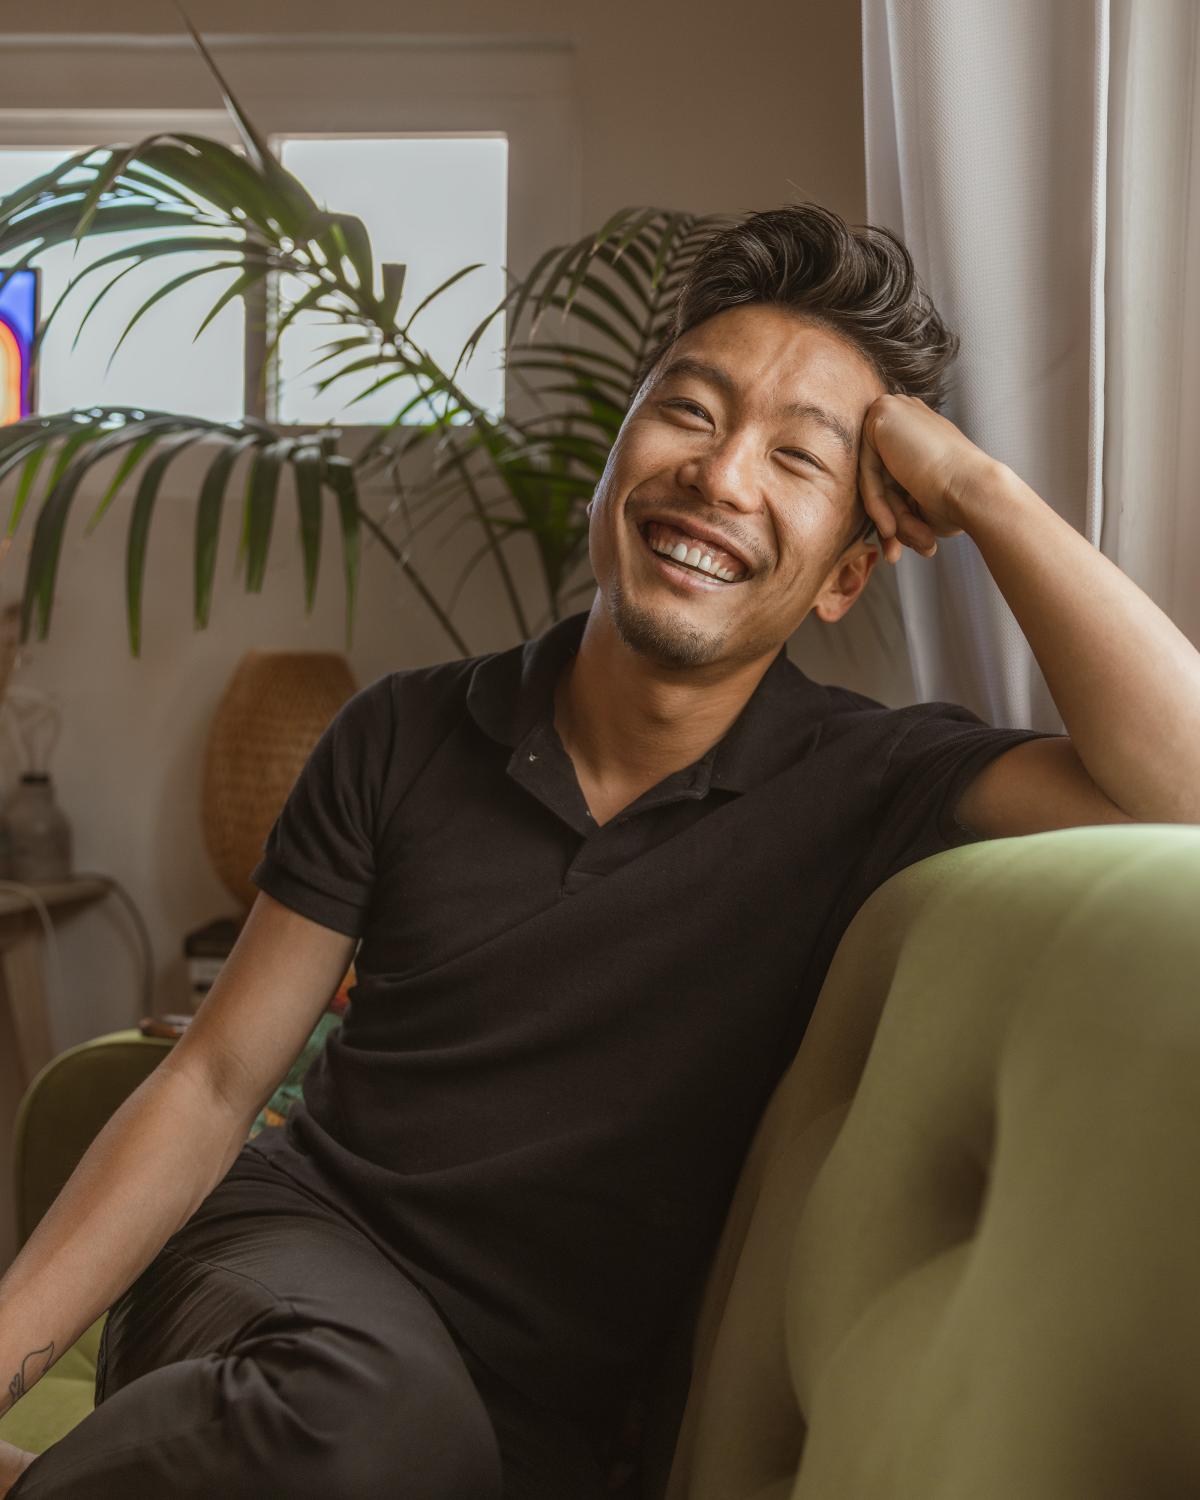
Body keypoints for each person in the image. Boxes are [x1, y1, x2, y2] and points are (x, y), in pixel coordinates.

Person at [3, 199, 1116, 1499]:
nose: (721, 472)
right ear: (614, 457)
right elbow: (212, 1084)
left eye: (799, 459)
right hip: (281, 1261)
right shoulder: (404, 732)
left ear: (843, 578)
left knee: (414, 1440)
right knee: (372, 1418)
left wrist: (982, 491)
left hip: (509, 1409)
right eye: (690, 411)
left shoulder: (872, 783)